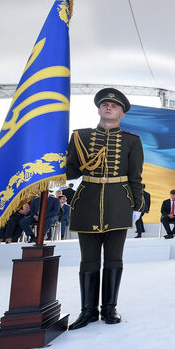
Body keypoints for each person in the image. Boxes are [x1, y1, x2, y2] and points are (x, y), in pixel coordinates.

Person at [65, 88, 145, 330]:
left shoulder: (132, 140)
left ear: (121, 113)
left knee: (113, 258)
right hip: (87, 202)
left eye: (114, 105)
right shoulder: (80, 137)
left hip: (119, 203)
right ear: (99, 109)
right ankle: (87, 311)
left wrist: (137, 205)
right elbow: (71, 170)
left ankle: (109, 309)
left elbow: (136, 176)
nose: (108, 107)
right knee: (88, 260)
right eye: (105, 104)